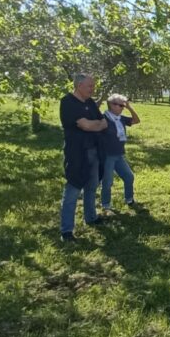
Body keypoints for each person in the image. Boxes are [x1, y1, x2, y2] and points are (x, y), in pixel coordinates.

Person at [58, 74, 108, 242]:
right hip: (77, 153)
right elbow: (85, 125)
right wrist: (94, 125)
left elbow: (104, 122)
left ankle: (91, 217)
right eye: (90, 86)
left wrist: (93, 125)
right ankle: (66, 231)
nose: (92, 89)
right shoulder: (68, 102)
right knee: (73, 188)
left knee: (92, 185)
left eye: (93, 86)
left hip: (94, 150)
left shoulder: (90, 103)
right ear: (79, 85)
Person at [101, 94, 141, 215]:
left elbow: (136, 120)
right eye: (120, 105)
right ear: (111, 105)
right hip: (107, 155)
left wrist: (129, 107)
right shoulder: (104, 119)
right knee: (107, 182)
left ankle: (129, 200)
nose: (122, 108)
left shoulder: (121, 118)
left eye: (123, 105)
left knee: (129, 177)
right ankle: (106, 205)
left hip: (119, 155)